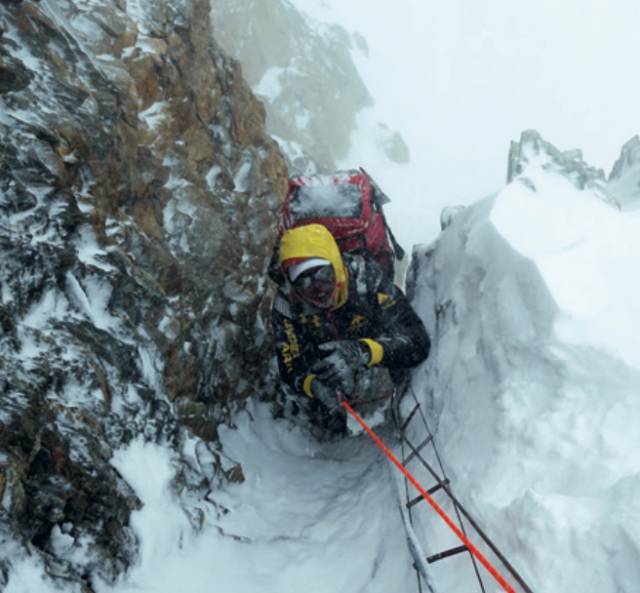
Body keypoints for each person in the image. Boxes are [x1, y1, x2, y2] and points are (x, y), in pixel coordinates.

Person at [270, 222, 430, 435]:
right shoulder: (287, 304)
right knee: (326, 424)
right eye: (304, 282)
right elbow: (289, 365)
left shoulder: (368, 280)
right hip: (324, 358)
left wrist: (365, 352)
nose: (318, 290)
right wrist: (312, 384)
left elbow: (417, 342)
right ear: (292, 285)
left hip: (371, 343)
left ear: (336, 265)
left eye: (323, 276)